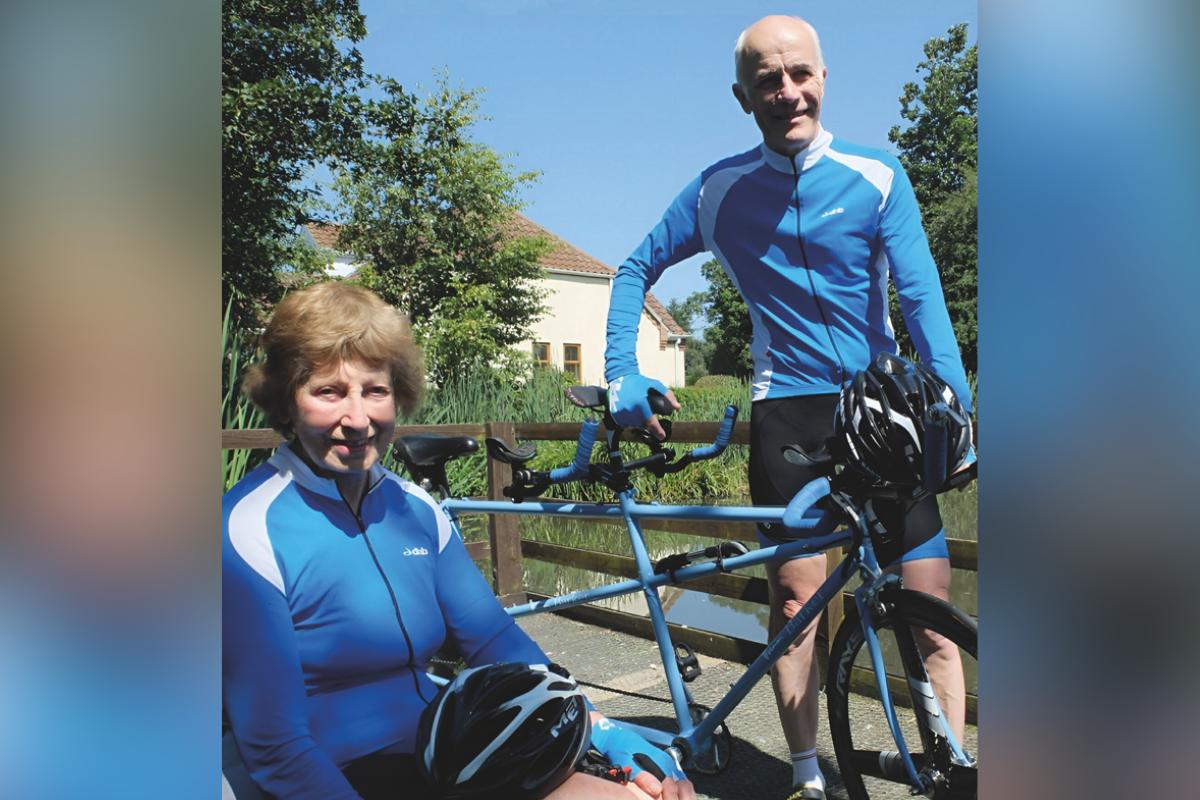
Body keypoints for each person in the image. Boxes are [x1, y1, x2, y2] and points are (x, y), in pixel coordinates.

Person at [603, 16, 973, 800]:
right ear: (744, 96)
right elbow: (634, 267)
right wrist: (621, 374)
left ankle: (953, 768)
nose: (787, 91)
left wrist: (958, 404)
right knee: (800, 602)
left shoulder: (876, 174)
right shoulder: (719, 190)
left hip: (884, 412)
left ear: (824, 77)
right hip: (791, 415)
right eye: (768, 79)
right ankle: (807, 777)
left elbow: (920, 296)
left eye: (799, 73)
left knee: (928, 604)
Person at [223, 281, 695, 800]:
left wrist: (600, 727)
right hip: (333, 773)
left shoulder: (415, 509)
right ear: (287, 403)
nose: (357, 419)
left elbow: (495, 641)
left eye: (375, 391)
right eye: (328, 392)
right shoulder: (246, 530)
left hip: (451, 750)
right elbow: (276, 746)